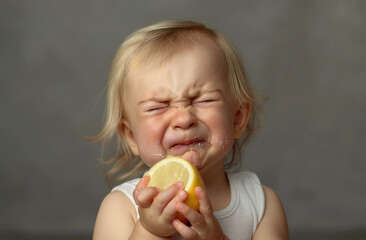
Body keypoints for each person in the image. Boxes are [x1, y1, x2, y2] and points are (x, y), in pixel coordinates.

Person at [92, 20, 289, 240]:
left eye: (203, 100)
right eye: (159, 106)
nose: (184, 118)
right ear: (131, 136)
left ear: (237, 119)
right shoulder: (122, 207)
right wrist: (149, 231)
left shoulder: (261, 204)